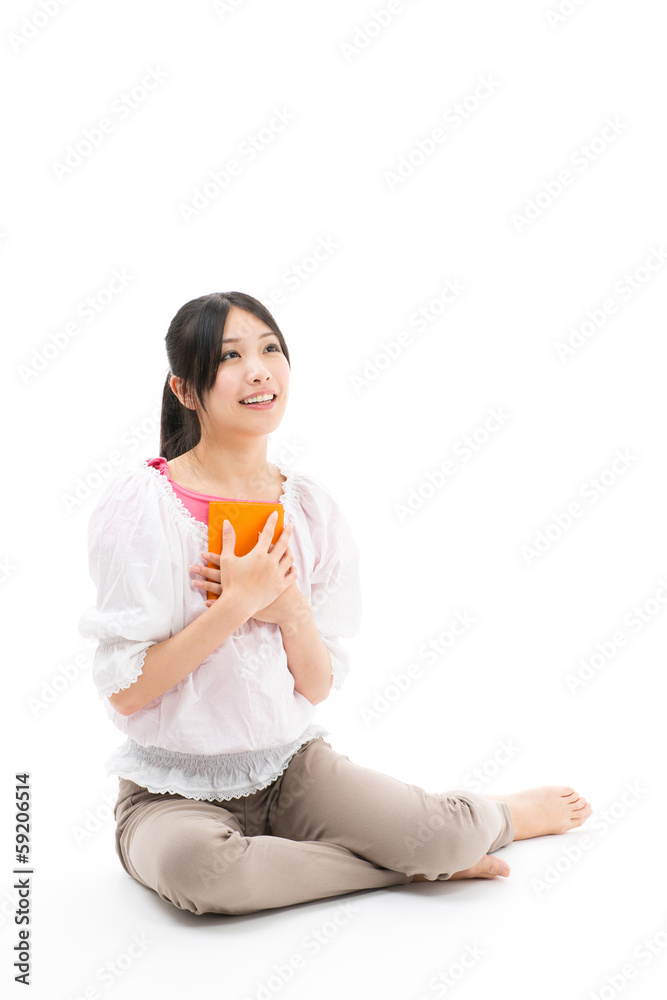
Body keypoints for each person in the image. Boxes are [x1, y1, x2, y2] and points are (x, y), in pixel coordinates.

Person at [78, 291, 592, 916]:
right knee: (206, 874)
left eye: (271, 349)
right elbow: (128, 693)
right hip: (168, 793)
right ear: (185, 391)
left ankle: (493, 818)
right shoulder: (143, 505)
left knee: (450, 833)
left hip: (290, 771)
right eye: (230, 356)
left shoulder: (310, 508)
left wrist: (288, 609)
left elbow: (316, 688)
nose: (259, 369)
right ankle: (410, 870)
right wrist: (236, 605)